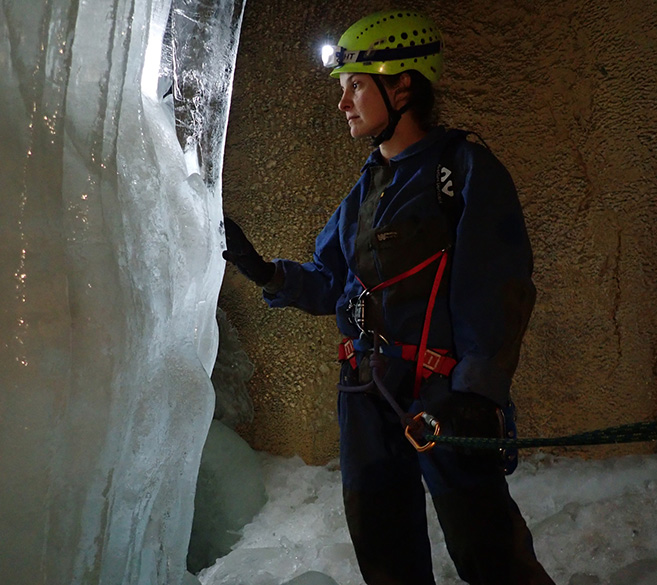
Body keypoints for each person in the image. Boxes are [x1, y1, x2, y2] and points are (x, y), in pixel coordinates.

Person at [223, 10, 556, 585]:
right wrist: (262, 270)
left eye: (356, 85)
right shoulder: (368, 186)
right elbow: (331, 282)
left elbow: (499, 286)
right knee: (385, 554)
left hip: (442, 396)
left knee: (489, 549)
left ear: (402, 85)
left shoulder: (464, 170)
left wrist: (476, 391)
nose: (343, 102)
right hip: (366, 394)